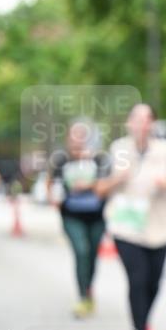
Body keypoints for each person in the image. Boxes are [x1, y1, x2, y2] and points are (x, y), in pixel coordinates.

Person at [96, 105, 166, 330]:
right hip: (126, 227)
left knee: (154, 282)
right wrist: (119, 178)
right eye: (137, 119)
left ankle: (144, 321)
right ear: (129, 123)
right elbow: (99, 189)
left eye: (147, 119)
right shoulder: (117, 150)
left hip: (159, 226)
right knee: (137, 280)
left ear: (154, 124)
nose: (142, 124)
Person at [46, 120, 109, 318]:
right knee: (82, 251)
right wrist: (53, 199)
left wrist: (88, 185)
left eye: (82, 136)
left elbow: (105, 186)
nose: (78, 140)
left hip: (96, 217)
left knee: (92, 256)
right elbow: (50, 182)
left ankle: (88, 289)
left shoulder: (98, 160)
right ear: (68, 138)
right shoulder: (61, 160)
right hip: (71, 215)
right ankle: (82, 297)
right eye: (74, 135)